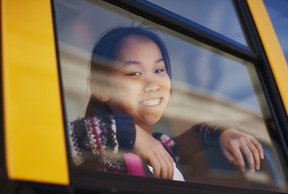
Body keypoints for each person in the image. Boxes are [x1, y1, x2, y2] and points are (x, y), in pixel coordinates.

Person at [68, 25, 264, 181]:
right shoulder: (100, 148)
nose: (153, 83)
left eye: (159, 70)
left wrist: (225, 132)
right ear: (102, 89)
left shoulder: (163, 145)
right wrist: (132, 134)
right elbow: (63, 139)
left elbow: (197, 135)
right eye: (135, 73)